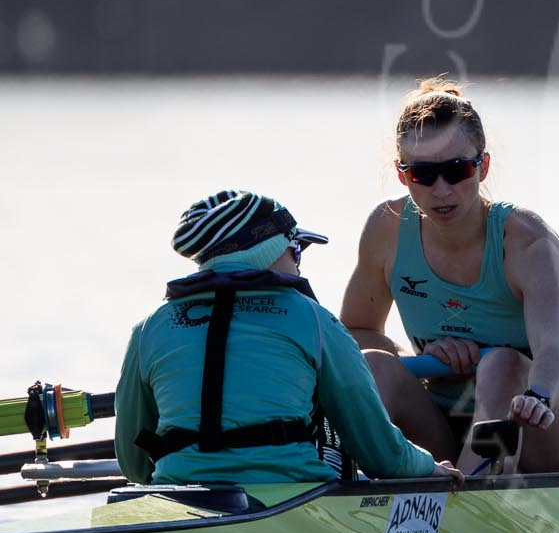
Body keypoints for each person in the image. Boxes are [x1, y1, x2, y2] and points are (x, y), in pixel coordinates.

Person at [339, 80, 559, 475]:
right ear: (402, 175)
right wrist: (421, 359)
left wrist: (536, 397)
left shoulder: (529, 243)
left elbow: (555, 354)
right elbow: (356, 331)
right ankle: (343, 492)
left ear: (482, 166)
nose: (442, 189)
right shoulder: (387, 228)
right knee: (374, 366)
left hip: (543, 429)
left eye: (457, 170)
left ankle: (461, 502)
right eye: (423, 174)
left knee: (502, 365)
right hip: (446, 427)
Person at [117, 190, 458, 487]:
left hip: (179, 497)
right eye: (297, 251)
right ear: (269, 252)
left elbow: (133, 462)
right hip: (294, 495)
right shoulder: (312, 318)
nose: (299, 266)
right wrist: (428, 467)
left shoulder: (149, 328)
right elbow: (380, 454)